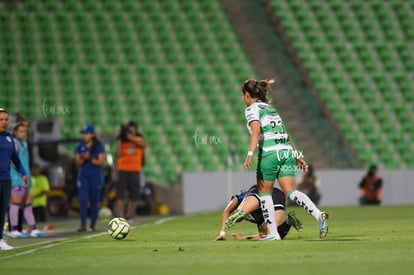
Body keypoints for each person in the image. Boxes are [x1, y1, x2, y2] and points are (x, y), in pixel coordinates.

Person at [227, 79, 329, 240]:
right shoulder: (271, 109)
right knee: (291, 192)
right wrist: (297, 156)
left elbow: (255, 130)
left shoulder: (252, 109)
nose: (242, 99)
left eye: (242, 95)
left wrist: (249, 154)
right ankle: (319, 215)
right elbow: (285, 134)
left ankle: (274, 234)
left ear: (247, 95)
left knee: (265, 193)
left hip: (270, 153)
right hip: (286, 152)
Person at [216, 185, 303, 241]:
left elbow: (226, 212)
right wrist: (242, 238)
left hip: (258, 191)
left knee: (246, 204)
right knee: (275, 235)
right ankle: (289, 221)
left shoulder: (238, 198)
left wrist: (222, 233)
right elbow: (262, 235)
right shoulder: (260, 218)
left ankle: (241, 211)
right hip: (278, 195)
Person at [8, 120, 47, 238]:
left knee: (28, 204)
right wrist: (20, 172)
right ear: (15, 132)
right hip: (17, 179)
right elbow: (10, 160)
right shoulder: (14, 143)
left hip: (25, 180)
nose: (24, 133)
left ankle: (33, 229)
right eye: (21, 131)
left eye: (25, 131)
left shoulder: (24, 143)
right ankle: (13, 230)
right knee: (15, 204)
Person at [0, 108, 28, 250]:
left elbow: (15, 158)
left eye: (6, 119)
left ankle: (0, 240)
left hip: (6, 179)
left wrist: (22, 172)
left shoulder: (9, 138)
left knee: (2, 210)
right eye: (1, 119)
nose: (4, 122)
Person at [75, 125, 105, 232]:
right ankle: (83, 224)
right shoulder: (80, 146)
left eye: (86, 133)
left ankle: (92, 225)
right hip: (83, 175)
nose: (84, 136)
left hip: (95, 175)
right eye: (83, 134)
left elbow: (101, 162)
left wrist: (90, 158)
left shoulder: (98, 146)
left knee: (94, 201)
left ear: (92, 135)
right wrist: (84, 158)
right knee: (83, 200)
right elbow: (77, 162)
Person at [115, 121, 146, 222]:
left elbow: (144, 144)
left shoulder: (139, 139)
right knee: (120, 195)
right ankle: (119, 216)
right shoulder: (122, 141)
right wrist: (120, 140)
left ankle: (129, 216)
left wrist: (131, 138)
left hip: (135, 170)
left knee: (133, 194)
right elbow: (118, 154)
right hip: (123, 170)